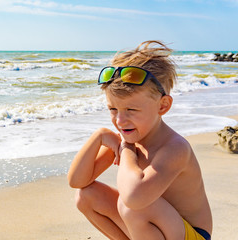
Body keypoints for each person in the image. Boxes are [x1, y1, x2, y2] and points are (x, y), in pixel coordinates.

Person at [67, 40, 212, 240]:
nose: (119, 120)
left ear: (163, 106)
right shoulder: (130, 135)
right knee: (86, 196)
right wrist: (98, 137)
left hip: (192, 235)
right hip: (157, 226)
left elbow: (134, 197)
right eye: (113, 109)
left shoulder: (175, 148)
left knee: (132, 207)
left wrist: (126, 149)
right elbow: (77, 182)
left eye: (131, 110)